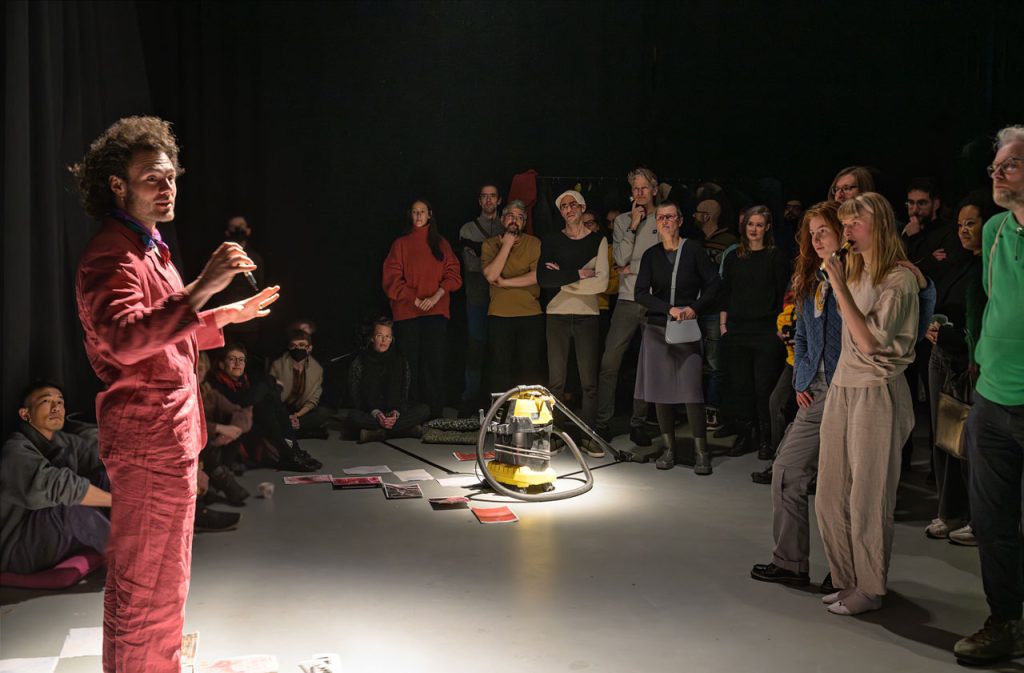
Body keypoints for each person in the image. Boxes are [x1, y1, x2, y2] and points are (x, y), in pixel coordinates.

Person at [72, 116, 280, 672]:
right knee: (152, 585)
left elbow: (161, 329)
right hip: (149, 440)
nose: (166, 189)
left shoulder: (145, 247)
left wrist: (221, 315)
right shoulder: (111, 253)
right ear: (117, 185)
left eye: (170, 178)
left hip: (163, 437)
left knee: (148, 581)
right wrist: (204, 285)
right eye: (151, 179)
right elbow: (124, 339)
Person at [749, 201, 934, 589]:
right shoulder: (813, 276)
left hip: (857, 389)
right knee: (792, 473)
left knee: (852, 491)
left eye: (825, 231)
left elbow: (904, 329)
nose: (817, 239)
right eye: (811, 233)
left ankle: (848, 575)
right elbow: (801, 332)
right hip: (819, 391)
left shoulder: (865, 275)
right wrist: (801, 378)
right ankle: (795, 562)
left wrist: (925, 286)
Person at [814, 192, 920, 616]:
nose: (847, 231)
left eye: (855, 222)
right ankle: (847, 579)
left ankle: (871, 588)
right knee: (830, 494)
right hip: (844, 385)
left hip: (877, 390)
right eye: (844, 224)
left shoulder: (899, 280)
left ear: (880, 225)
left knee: (869, 498)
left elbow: (872, 341)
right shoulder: (856, 269)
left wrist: (838, 283)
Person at [954, 125, 1024, 665]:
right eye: (995, 167)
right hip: (992, 401)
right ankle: (1005, 622)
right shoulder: (996, 229)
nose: (997, 175)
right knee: (992, 525)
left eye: (1010, 165)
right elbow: (990, 301)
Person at [923, 191, 996, 545]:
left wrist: (957, 339)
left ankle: (977, 518)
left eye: (971, 223)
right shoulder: (958, 263)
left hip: (972, 364)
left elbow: (985, 322)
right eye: (960, 224)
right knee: (944, 440)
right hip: (942, 358)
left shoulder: (993, 267)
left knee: (973, 444)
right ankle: (949, 511)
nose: (964, 230)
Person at [633, 202, 721, 473]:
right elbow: (640, 293)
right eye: (660, 218)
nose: (665, 221)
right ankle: (669, 448)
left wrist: (694, 308)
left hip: (686, 330)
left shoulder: (693, 250)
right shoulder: (651, 255)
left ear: (680, 221)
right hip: (658, 328)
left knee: (691, 390)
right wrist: (667, 309)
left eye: (670, 217)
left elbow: (714, 283)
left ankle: (701, 451)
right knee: (660, 391)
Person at [1, 381, 111, 574]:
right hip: (15, 549)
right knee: (71, 506)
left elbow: (101, 454)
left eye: (60, 402)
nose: (56, 407)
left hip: (51, 538)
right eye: (46, 401)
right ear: (25, 414)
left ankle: (151, 542)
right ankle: (132, 562)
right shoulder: (14, 451)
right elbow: (62, 487)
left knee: (106, 475)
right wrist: (119, 502)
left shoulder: (63, 441)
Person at [537, 189, 609, 456]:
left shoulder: (598, 239)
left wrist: (564, 280)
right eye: (564, 206)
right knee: (556, 381)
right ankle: (556, 434)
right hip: (556, 313)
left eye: (573, 204)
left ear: (582, 207)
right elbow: (545, 279)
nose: (568, 209)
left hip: (587, 314)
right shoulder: (552, 241)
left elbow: (601, 283)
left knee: (589, 381)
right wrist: (579, 274)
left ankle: (588, 436)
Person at [718, 206, 790, 457]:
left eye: (759, 224)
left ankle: (766, 438)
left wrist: (780, 327)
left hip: (766, 331)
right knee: (741, 386)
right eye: (750, 224)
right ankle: (745, 435)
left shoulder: (775, 256)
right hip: (737, 329)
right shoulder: (734, 256)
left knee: (763, 387)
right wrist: (723, 326)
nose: (754, 229)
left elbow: (782, 295)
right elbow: (726, 293)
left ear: (767, 227)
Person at [596, 168, 661, 446]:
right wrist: (634, 226)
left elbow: (663, 260)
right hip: (626, 298)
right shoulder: (623, 220)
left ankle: (639, 423)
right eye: (635, 188)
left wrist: (634, 268)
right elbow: (620, 258)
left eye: (644, 188)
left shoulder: (664, 217)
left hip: (654, 300)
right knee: (609, 362)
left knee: (648, 365)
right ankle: (602, 422)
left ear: (654, 190)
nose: (640, 193)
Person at [382, 199, 463, 418]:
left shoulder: (441, 243)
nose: (418, 215)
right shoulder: (400, 244)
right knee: (409, 365)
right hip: (407, 313)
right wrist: (414, 298)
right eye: (415, 212)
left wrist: (437, 295)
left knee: (434, 363)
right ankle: (410, 414)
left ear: (430, 215)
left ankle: (434, 414)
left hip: (435, 312)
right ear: (410, 215)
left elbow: (454, 275)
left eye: (422, 211)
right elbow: (391, 279)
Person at [211, 343, 321, 472]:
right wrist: (270, 383)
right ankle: (288, 454)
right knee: (262, 404)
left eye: (241, 360)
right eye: (232, 359)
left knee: (269, 398)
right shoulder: (216, 383)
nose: (237, 363)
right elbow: (243, 401)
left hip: (249, 424)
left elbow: (273, 388)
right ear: (221, 364)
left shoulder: (245, 379)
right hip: (228, 427)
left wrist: (269, 385)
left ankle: (294, 450)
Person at [481, 200, 544, 393]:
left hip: (530, 314)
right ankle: (500, 410)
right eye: (510, 216)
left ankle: (526, 411)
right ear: (502, 219)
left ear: (524, 222)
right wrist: (507, 245)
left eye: (520, 217)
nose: (514, 220)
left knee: (529, 368)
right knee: (500, 368)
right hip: (500, 314)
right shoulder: (490, 244)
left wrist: (505, 282)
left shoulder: (534, 243)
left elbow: (536, 276)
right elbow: (491, 275)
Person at [336, 317, 431, 442]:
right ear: (372, 338)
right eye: (380, 336)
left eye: (388, 337)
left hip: (394, 411)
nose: (384, 340)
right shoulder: (360, 362)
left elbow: (404, 392)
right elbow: (356, 396)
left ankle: (377, 433)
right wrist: (376, 414)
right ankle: (405, 430)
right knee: (354, 417)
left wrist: (395, 413)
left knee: (424, 410)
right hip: (371, 413)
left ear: (392, 339)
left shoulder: (400, 361)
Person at [694, 196, 738, 431]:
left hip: (713, 310)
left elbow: (725, 280)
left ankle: (712, 409)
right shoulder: (698, 241)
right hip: (695, 309)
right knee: (696, 362)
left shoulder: (729, 243)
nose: (694, 216)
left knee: (715, 363)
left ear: (708, 216)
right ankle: (695, 408)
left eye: (698, 212)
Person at [458, 184, 504, 409]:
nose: (488, 200)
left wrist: (482, 255)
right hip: (477, 299)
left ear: (499, 200)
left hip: (504, 300)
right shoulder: (468, 229)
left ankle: (499, 402)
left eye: (492, 196)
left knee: (501, 353)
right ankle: (470, 400)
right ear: (479, 201)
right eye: (484, 196)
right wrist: (500, 259)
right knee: (475, 350)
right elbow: (472, 266)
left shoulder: (507, 225)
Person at [268, 329, 333, 439]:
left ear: (309, 348)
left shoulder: (317, 369)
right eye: (293, 346)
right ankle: (304, 431)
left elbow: (313, 400)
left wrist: (297, 416)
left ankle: (293, 428)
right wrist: (287, 416)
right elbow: (273, 397)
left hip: (301, 412)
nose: (297, 349)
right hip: (282, 408)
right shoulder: (278, 366)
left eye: (301, 345)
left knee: (323, 413)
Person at [583, 208, 619, 341]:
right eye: (582, 223)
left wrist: (597, 283)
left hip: (599, 306)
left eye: (590, 223)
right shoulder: (570, 248)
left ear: (597, 226)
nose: (586, 227)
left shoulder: (609, 250)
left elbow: (616, 284)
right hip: (574, 307)